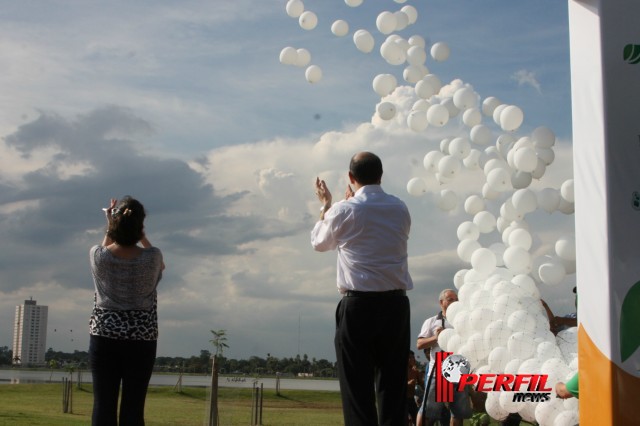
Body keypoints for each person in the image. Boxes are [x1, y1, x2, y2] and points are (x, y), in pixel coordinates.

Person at [311, 152, 413, 426]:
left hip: (358, 307)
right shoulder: (400, 208)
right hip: (395, 306)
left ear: (350, 177)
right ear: (381, 175)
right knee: (394, 389)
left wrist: (327, 206)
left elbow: (320, 243)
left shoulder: (345, 210)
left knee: (357, 391)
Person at [89, 196, 164, 426]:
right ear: (141, 225)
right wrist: (141, 235)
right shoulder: (152, 257)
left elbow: (104, 248)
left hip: (104, 337)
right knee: (133, 406)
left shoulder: (97, 255)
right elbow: (161, 266)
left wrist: (111, 224)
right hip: (141, 339)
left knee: (103, 405)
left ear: (114, 224)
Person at [416, 289, 472, 426]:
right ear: (441, 302)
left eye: (456, 299)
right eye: (450, 299)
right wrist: (437, 337)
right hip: (441, 371)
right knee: (429, 414)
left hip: (460, 370)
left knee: (458, 414)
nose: (454, 302)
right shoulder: (433, 321)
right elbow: (419, 344)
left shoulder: (464, 321)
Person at [407, 350, 424, 425]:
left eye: (413, 357)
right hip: (403, 401)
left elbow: (422, 384)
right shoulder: (401, 371)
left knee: (416, 419)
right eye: (410, 357)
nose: (412, 359)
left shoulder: (415, 371)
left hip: (411, 399)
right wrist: (408, 383)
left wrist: (421, 378)